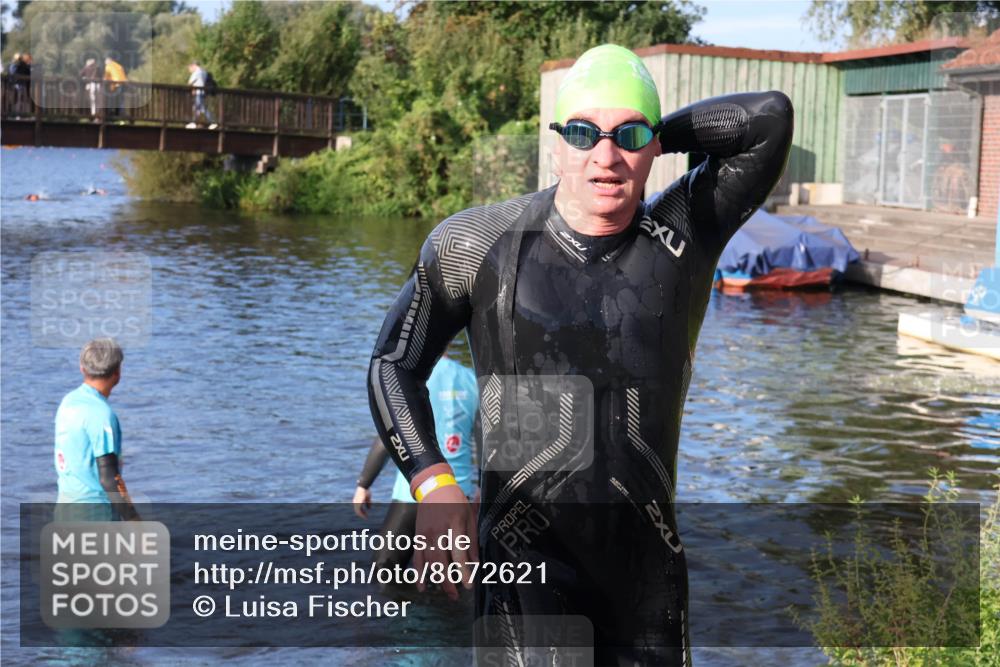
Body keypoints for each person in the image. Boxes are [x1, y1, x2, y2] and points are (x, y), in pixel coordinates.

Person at [368, 43, 793, 665]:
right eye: (583, 133)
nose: (605, 155)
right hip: (525, 573)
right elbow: (393, 365)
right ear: (555, 145)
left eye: (628, 135)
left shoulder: (683, 236)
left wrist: (649, 132)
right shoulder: (479, 244)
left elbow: (768, 119)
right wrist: (434, 485)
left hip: (645, 582)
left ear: (653, 148)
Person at [354, 353, 479, 570]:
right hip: (460, 494)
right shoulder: (471, 379)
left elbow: (388, 437)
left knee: (384, 572)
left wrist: (363, 484)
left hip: (416, 491)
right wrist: (481, 486)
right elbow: (487, 439)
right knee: (456, 578)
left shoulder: (407, 377)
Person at [54, 338, 140, 522]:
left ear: (82, 368)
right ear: (117, 372)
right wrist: (134, 520)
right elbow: (109, 479)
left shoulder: (68, 402)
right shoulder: (102, 415)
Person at [186, 61, 217, 129]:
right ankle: (194, 122)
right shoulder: (204, 72)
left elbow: (189, 83)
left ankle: (212, 122)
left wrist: (192, 88)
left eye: (190, 69)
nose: (190, 71)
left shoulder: (197, 72)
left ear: (193, 66)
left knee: (201, 108)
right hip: (203, 93)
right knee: (197, 108)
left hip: (198, 93)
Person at [103, 55, 127, 120]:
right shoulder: (118, 65)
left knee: (113, 100)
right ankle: (122, 114)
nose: (105, 64)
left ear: (108, 61)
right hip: (123, 84)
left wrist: (104, 82)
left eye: (105, 62)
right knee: (121, 100)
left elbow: (106, 78)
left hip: (116, 84)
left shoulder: (108, 66)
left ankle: (112, 115)